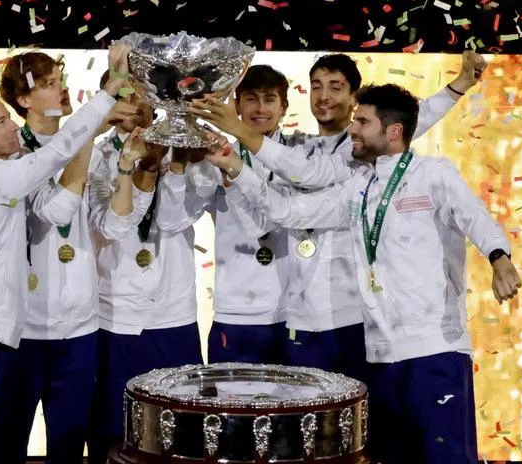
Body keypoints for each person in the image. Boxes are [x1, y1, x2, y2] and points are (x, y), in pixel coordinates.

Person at [206, 83, 522, 464]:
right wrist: (236, 168)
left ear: (393, 131)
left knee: (447, 458)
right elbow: (287, 212)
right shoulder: (357, 189)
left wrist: (499, 256)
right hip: (380, 354)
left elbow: (474, 215)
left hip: (433, 347)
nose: (352, 129)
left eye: (362, 121)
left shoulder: (433, 174)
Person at [190, 52, 486, 381]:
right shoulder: (301, 149)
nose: (324, 96)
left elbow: (416, 117)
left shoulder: (361, 148)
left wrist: (458, 86)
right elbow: (291, 183)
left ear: (354, 99)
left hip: (355, 314)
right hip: (302, 317)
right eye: (316, 86)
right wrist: (227, 161)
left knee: (357, 423)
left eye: (335, 87)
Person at [0, 43, 130, 464]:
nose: (10, 127)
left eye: (7, 119)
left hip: (0, 337)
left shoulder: (7, 170)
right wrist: (108, 93)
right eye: (0, 121)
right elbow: (57, 154)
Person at [0, 51, 146, 464]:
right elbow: (55, 210)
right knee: (11, 443)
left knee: (69, 445)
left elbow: (113, 227)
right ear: (23, 100)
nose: (60, 88)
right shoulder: (13, 155)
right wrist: (85, 137)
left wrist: (125, 171)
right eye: (47, 83)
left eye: (60, 79)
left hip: (80, 327)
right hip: (25, 329)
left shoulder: (92, 151)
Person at [86, 70, 213, 464]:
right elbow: (109, 225)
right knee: (113, 434)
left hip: (173, 315)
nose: (133, 104)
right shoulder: (93, 156)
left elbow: (180, 217)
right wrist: (138, 170)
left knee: (181, 436)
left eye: (142, 95)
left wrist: (171, 166)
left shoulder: (185, 150)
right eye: (123, 94)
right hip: (115, 315)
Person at [196, 65, 292, 364]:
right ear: (236, 105)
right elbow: (179, 216)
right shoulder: (218, 156)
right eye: (251, 98)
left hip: (292, 312)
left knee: (291, 409)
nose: (260, 108)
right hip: (235, 312)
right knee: (231, 410)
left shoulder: (301, 155)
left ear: (284, 107)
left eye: (269, 99)